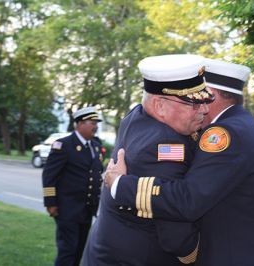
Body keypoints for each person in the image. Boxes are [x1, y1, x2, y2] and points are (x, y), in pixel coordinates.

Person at [105, 58, 254, 266]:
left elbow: (188, 199)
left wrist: (120, 184)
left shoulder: (224, 133)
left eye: (199, 95)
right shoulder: (242, 126)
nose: (198, 105)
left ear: (212, 95)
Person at [82, 54, 214, 266]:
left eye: (205, 99)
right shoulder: (165, 144)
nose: (205, 109)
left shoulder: (138, 115)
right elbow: (175, 233)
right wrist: (198, 255)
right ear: (160, 105)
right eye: (194, 104)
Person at [42, 106, 104, 266]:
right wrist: (50, 203)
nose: (95, 126)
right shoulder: (64, 145)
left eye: (96, 122)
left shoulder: (96, 146)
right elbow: (49, 176)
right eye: (92, 122)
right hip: (67, 209)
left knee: (79, 250)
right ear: (79, 124)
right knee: (68, 251)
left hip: (87, 209)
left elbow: (96, 174)